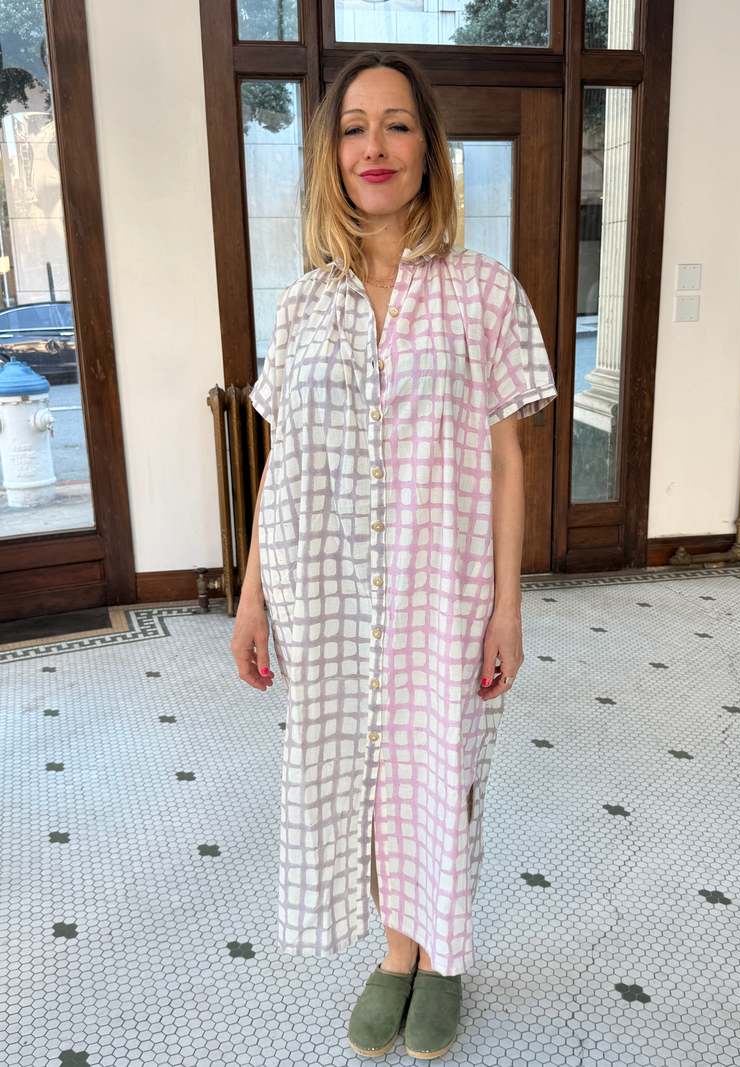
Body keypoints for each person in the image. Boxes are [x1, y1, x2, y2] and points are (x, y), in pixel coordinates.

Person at [230, 50, 557, 1060]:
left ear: (428, 149)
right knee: (359, 773)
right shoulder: (304, 304)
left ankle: (431, 956)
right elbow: (283, 461)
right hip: (329, 591)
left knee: (437, 772)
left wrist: (506, 608)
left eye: (397, 124)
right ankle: (392, 950)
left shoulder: (484, 293)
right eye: (353, 126)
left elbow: (506, 458)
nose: (374, 145)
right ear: (332, 154)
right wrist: (251, 597)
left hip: (440, 589)